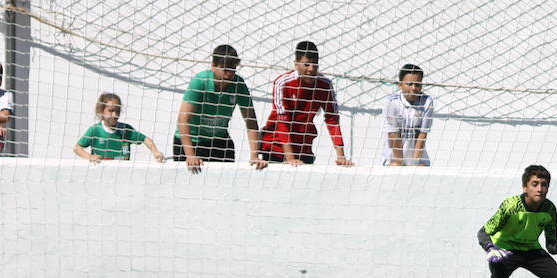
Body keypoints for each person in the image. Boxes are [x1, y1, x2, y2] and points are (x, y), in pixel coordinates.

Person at [174, 44, 267, 172]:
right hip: (192, 141)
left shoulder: (239, 85)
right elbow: (183, 120)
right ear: (213, 66)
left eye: (233, 68)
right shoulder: (200, 81)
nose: (229, 73)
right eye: (225, 68)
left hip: (219, 140)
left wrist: (255, 155)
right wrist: (190, 155)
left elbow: (251, 121)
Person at [259, 41, 352, 167]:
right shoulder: (283, 83)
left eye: (315, 65)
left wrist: (341, 156)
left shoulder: (324, 85)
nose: (311, 69)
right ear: (296, 64)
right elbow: (282, 122)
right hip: (276, 148)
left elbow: (332, 119)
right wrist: (290, 158)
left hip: (304, 149)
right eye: (306, 64)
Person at [74, 93, 165, 163]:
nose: (115, 114)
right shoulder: (95, 130)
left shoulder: (126, 129)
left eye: (117, 111)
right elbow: (77, 148)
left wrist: (155, 152)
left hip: (123, 175)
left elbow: (146, 139)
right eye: (111, 111)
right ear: (101, 111)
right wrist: (89, 157)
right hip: (101, 174)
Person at [381, 63, 434, 166]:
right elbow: (393, 135)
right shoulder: (391, 102)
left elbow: (422, 135)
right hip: (394, 157)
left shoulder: (427, 102)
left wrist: (415, 162)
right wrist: (399, 162)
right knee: (395, 168)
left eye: (418, 84)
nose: (414, 88)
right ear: (400, 84)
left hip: (417, 157)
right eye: (409, 84)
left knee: (420, 170)